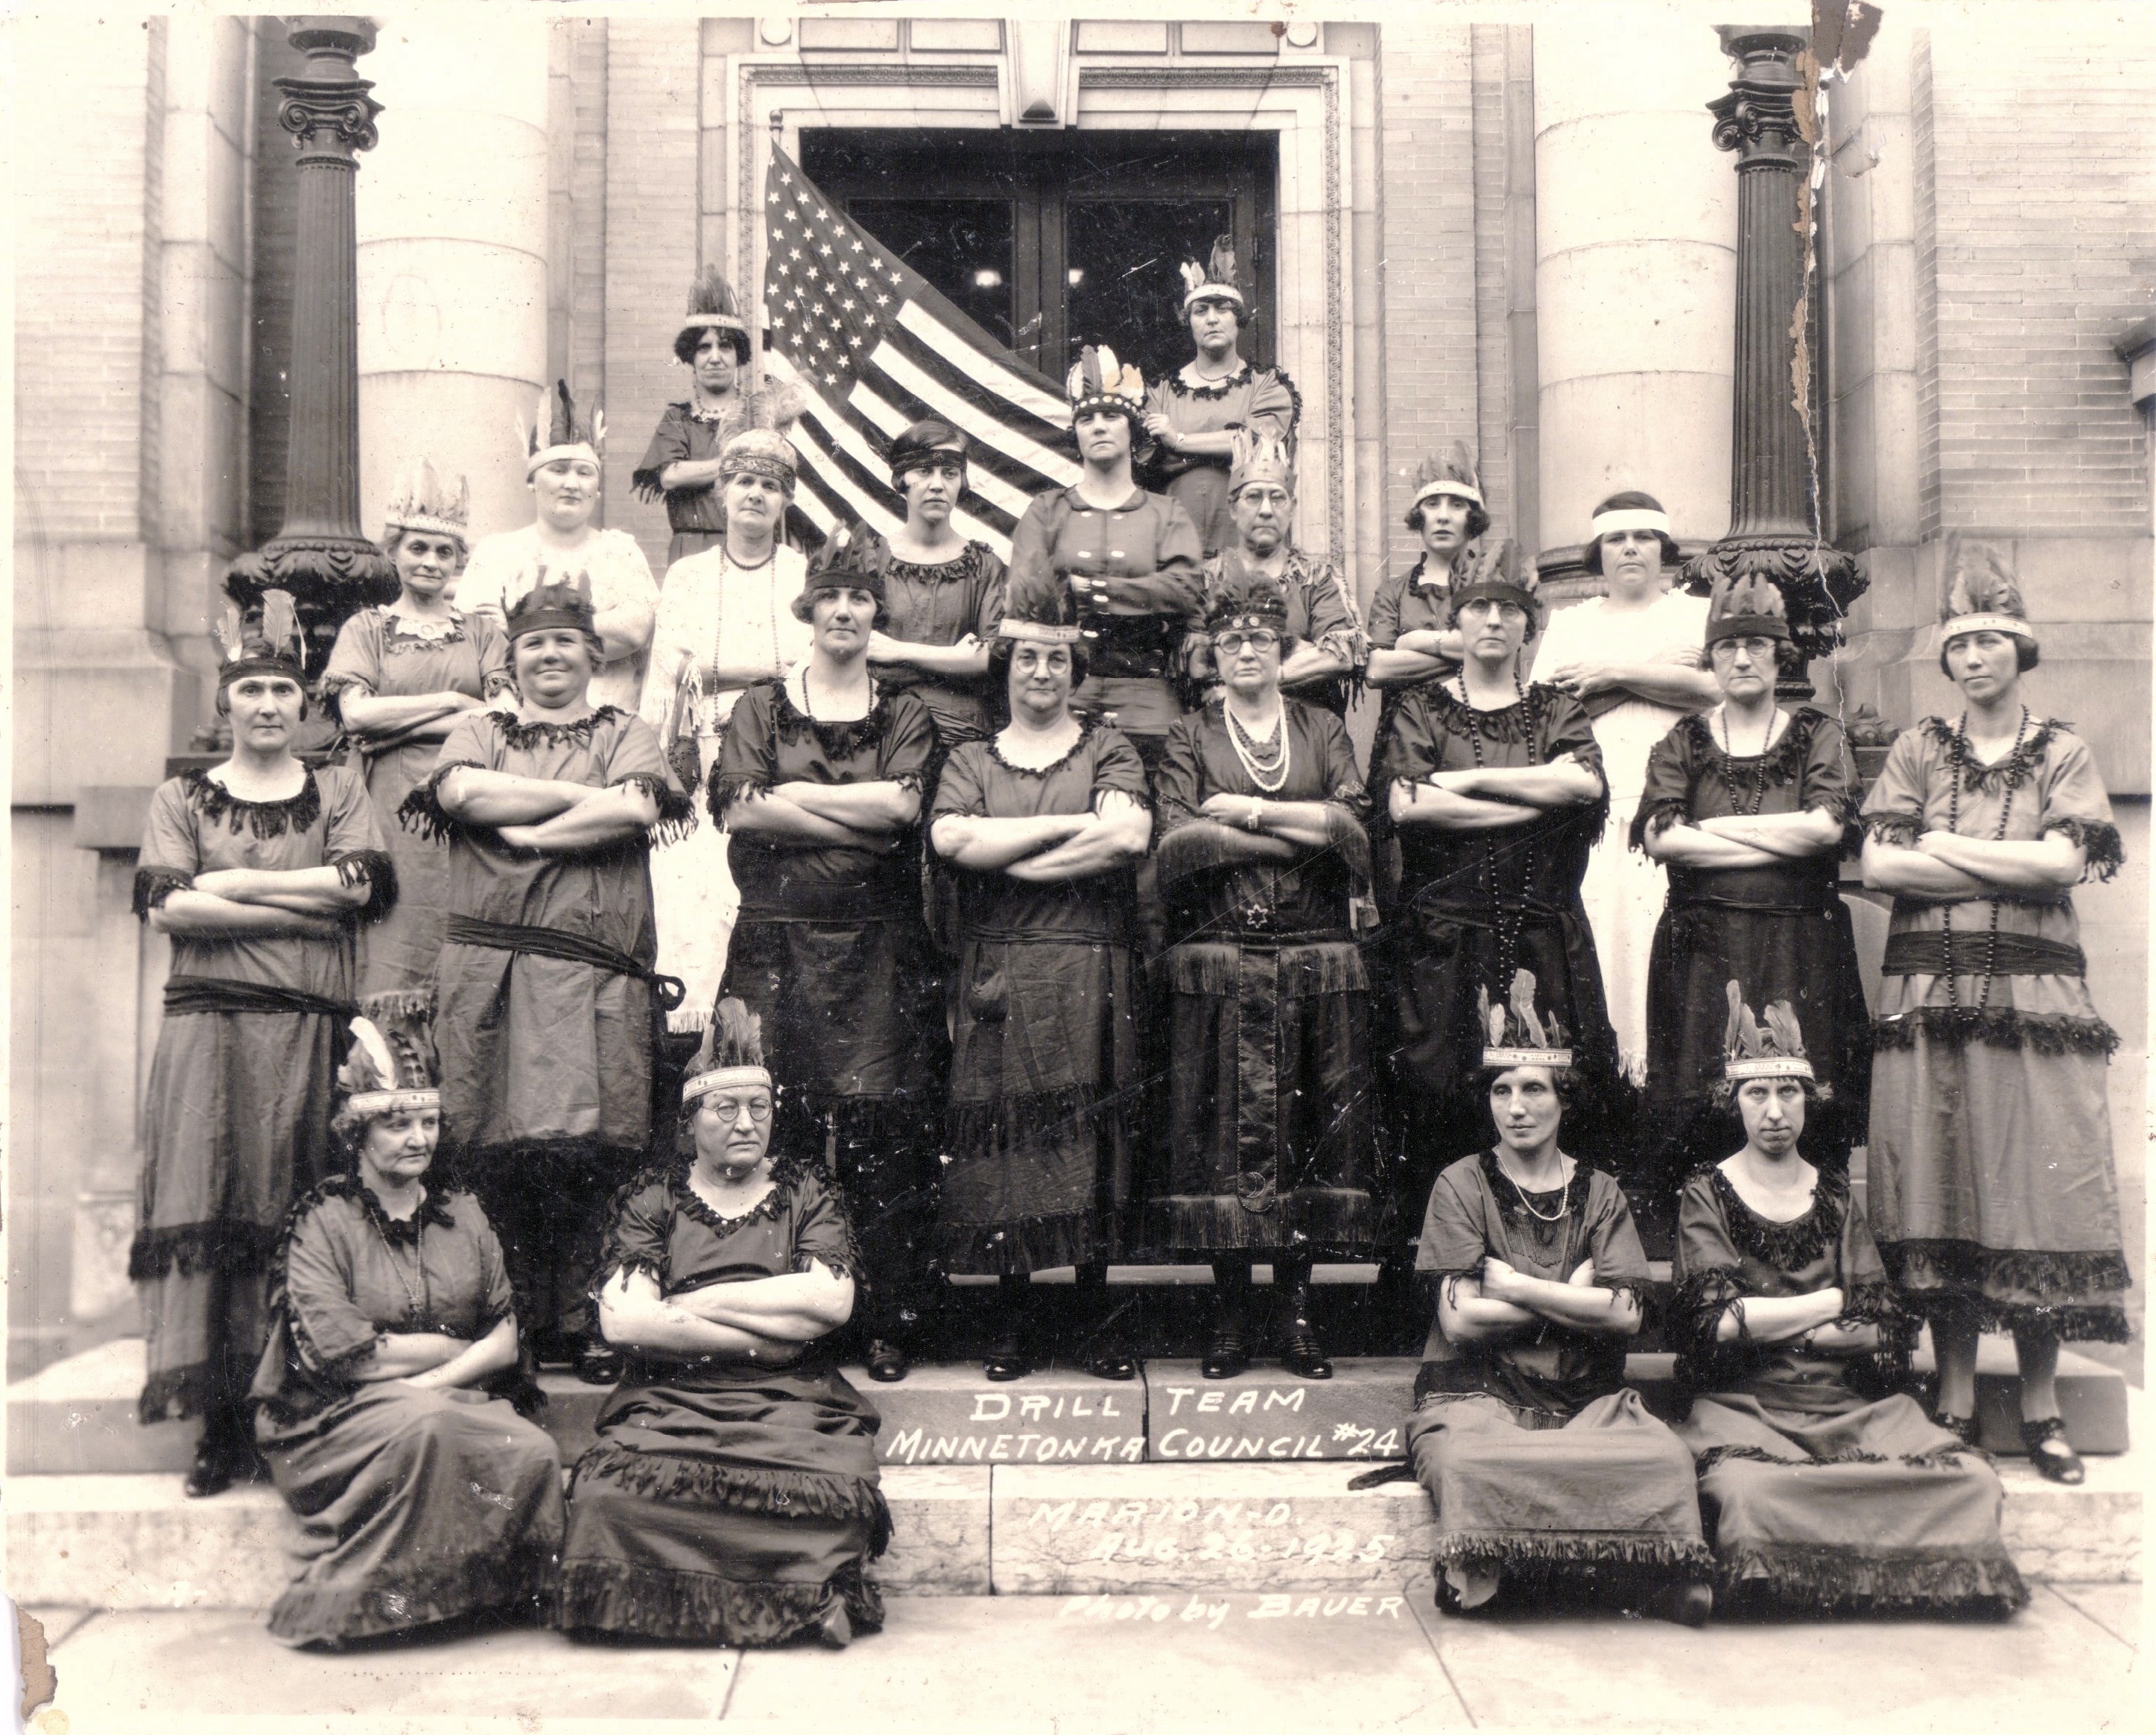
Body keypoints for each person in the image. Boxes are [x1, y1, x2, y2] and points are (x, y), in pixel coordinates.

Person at [1859, 542, 2131, 1482]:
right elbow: (1881, 863)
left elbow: (2064, 864)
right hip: (1928, 994)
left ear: (2019, 650)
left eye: (1989, 641)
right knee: (1940, 1177)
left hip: (2034, 997)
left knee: (2037, 1184)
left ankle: (2045, 1408)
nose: (1974, 658)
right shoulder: (1914, 749)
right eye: (1960, 644)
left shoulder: (2061, 750)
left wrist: (1942, 844)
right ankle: (1957, 1395)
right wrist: (1989, 854)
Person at [130, 594, 393, 1496]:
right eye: (254, 690)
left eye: (285, 687)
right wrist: (292, 894)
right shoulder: (181, 798)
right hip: (207, 1029)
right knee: (211, 1195)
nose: (271, 705)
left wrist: (231, 883)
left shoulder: (340, 789)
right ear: (228, 701)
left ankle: (294, 1408)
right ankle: (221, 1422)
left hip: (307, 1028)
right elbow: (170, 904)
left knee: (294, 1203)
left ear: (305, 701)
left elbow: (357, 886)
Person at [407, 573, 693, 1385]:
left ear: (592, 653)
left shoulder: (626, 730)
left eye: (565, 640)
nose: (550, 655)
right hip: (490, 975)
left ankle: (588, 1315)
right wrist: (578, 800)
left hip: (593, 978)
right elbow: (461, 792)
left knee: (593, 1151)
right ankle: (512, 1319)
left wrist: (527, 834)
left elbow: (637, 808)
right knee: (495, 1149)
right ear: (514, 656)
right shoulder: (478, 728)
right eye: (534, 642)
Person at [1668, 986, 2026, 1618]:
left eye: (1790, 1092)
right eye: (1758, 1093)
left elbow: (1880, 1327)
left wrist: (1778, 1324)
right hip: (1745, 1407)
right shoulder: (1708, 1193)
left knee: (1968, 1479)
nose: (1775, 1110)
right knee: (1749, 1491)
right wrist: (1830, 1301)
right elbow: (1720, 1324)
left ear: (1810, 1099)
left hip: (1843, 1405)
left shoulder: (1834, 1196)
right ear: (1735, 1102)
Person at [559, 1000, 887, 1649]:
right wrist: (765, 1332)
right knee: (607, 1497)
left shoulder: (803, 1189)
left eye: (759, 1108)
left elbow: (830, 1302)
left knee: (837, 1490)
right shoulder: (655, 1197)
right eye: (725, 1108)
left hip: (789, 1398)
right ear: (689, 1121)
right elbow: (625, 1322)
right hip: (673, 1394)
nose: (746, 1123)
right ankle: (786, 1599)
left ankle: (800, 1598)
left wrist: (693, 1303)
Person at [1401, 978, 1713, 1623]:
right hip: (1475, 1397)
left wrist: (1515, 1287)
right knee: (1470, 1459)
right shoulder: (1460, 1183)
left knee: (1664, 1456)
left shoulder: (1599, 1192)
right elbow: (1461, 1319)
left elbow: (1626, 1313)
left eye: (1534, 1088)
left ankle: (1642, 1578)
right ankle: (1520, 1577)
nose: (1516, 1107)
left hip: (1583, 1400)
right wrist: (1572, 1299)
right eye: (1501, 1089)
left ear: (1565, 1100)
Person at [712, 529, 947, 1383]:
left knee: (885, 1129)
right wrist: (851, 807)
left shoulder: (905, 711)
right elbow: (741, 811)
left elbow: (902, 811)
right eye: (831, 598)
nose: (844, 611)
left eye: (859, 599)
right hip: (775, 937)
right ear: (806, 610)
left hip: (879, 943)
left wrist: (793, 798)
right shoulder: (759, 706)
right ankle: (792, 1312)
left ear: (875, 614)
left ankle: (885, 1315)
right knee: (783, 1126)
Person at [249, 1017, 564, 1649]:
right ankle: (371, 1605)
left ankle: (478, 1596)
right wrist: (457, 1351)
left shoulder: (464, 1216)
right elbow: (345, 1357)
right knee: (429, 1424)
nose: (418, 1138)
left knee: (536, 1452)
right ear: (357, 1130)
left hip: (445, 1402)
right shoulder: (323, 1221)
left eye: (429, 1122)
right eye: (397, 1124)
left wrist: (432, 1375)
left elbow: (507, 1338)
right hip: (332, 1419)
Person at [1150, 574, 1380, 1380]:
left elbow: (1355, 831)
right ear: (1213, 656)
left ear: (1283, 653)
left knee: (1307, 1132)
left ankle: (1297, 1315)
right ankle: (1228, 1315)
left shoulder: (1320, 727)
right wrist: (1303, 826)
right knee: (1221, 1139)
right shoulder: (1188, 735)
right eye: (1230, 641)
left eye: (1260, 640)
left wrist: (1244, 812)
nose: (1245, 650)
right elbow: (1177, 842)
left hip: (1313, 959)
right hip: (1218, 964)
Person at [929, 570, 1152, 1381]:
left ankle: (1097, 1316)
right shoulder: (968, 756)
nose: (1041, 674)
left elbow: (1124, 840)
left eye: (1056, 661)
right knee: (1005, 1149)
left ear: (1074, 669)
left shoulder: (1108, 746)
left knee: (1088, 1145)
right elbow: (953, 842)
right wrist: (1067, 826)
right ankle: (1011, 1319)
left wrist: (1010, 848)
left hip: (1088, 960)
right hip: (1000, 968)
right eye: (1026, 659)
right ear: (1006, 666)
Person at [1378, 542, 1618, 1252]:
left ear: (1528, 624)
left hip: (1542, 935)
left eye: (1507, 609)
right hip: (1443, 941)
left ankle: (1543, 1261)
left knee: (1546, 1097)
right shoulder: (1423, 707)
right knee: (1438, 1101)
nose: (1491, 621)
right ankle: (1436, 1276)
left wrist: (1458, 785)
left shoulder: (1555, 709)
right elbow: (1405, 806)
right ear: (1457, 620)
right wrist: (1527, 801)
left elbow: (1583, 787)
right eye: (1478, 607)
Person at [1635, 575, 1869, 1202]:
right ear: (1710, 659)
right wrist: (1778, 834)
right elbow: (1663, 840)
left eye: (1757, 645)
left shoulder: (1818, 735)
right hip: (1706, 953)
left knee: (1805, 1103)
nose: (1742, 658)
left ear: (1779, 654)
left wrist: (1715, 830)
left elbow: (1825, 827)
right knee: (1704, 1103)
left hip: (1801, 946)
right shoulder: (1683, 741)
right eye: (1727, 647)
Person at [1532, 492, 1716, 1085]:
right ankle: (1613, 1090)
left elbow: (1715, 691)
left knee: (1663, 948)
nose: (1631, 547)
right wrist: (1665, 683)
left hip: (1675, 808)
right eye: (1617, 537)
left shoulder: (1695, 613)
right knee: (1607, 945)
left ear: (1664, 548)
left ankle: (1665, 1084)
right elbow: (1543, 711)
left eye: (1644, 535)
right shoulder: (1573, 622)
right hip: (1596, 813)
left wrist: (1615, 674)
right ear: (1598, 552)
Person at [638, 428, 814, 1045]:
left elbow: (810, 669)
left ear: (786, 499)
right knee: (697, 898)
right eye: (744, 481)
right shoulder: (687, 575)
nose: (756, 496)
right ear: (721, 491)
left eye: (771, 485)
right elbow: (664, 681)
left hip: (781, 754)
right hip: (701, 749)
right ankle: (694, 1042)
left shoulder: (801, 573)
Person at [320, 461, 510, 1023]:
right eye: (418, 548)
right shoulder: (368, 629)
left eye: (443, 552)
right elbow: (356, 714)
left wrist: (401, 721)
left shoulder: (480, 632)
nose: (430, 562)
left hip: (467, 795)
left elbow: (502, 717)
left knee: (461, 919)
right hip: (387, 801)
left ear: (459, 561)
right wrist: (453, 704)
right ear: (395, 552)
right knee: (396, 923)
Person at [1007, 344, 1205, 771]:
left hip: (1147, 693)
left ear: (1132, 430)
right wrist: (1142, 593)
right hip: (1062, 693)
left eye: (1111, 417)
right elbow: (1027, 593)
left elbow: (1186, 590)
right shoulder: (1047, 510)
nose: (1098, 427)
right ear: (1075, 434)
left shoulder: (1165, 511)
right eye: (1086, 418)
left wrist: (1088, 590)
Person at [460, 380, 658, 713]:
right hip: (518, 718)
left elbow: (635, 631)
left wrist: (519, 626)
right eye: (558, 470)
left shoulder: (621, 552)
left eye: (584, 473)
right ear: (531, 481)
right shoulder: (497, 553)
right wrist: (594, 627)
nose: (572, 484)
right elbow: (478, 643)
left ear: (597, 489)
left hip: (610, 719)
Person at [632, 267, 805, 568]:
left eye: (725, 346)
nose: (715, 357)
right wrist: (740, 461)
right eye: (704, 348)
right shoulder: (678, 418)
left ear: (738, 356)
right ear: (691, 357)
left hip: (756, 545)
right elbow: (670, 476)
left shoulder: (761, 412)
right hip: (692, 547)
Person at [1185, 432, 1366, 717]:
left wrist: (1264, 671)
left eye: (1278, 498)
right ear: (1233, 508)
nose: (1266, 510)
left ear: (1292, 508)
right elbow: (1197, 663)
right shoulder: (1208, 580)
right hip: (1227, 726)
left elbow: (1339, 655)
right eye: (1254, 497)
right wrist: (1298, 648)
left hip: (1308, 726)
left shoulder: (1317, 577)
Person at [1140, 238, 1299, 556]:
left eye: (1222, 309)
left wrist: (1178, 441)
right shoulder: (1160, 391)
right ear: (1189, 322)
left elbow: (1256, 441)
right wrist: (1221, 445)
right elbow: (1146, 459)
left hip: (1245, 541)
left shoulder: (1267, 385)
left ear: (1238, 319)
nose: (1212, 319)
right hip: (1174, 541)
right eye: (1201, 311)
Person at [861, 419, 1008, 752]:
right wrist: (953, 658)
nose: (937, 485)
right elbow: (855, 647)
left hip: (963, 734)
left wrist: (898, 651)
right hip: (881, 730)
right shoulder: (871, 560)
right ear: (902, 479)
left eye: (949, 473)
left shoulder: (984, 565)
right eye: (924, 471)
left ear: (962, 482)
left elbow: (990, 657)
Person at [1363, 445, 1482, 696]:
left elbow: (1497, 647)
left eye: (1457, 505)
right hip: (1407, 727)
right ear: (1419, 517)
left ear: (1473, 518)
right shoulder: (1393, 591)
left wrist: (1414, 641)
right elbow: (1376, 669)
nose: (1443, 517)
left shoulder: (1491, 581)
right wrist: (1464, 655)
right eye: (1432, 504)